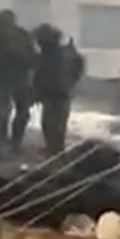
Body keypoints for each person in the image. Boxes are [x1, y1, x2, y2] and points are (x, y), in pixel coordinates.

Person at [0, 9, 35, 150]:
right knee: (8, 111)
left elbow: (33, 58)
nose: (2, 29)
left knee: (17, 111)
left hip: (16, 78)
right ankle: (5, 141)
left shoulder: (22, 36)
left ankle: (12, 141)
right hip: (7, 78)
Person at [31, 23, 85, 156]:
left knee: (56, 125)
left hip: (60, 93)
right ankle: (53, 149)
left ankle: (56, 151)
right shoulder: (51, 54)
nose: (38, 44)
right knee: (49, 124)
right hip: (53, 93)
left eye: (40, 41)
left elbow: (76, 67)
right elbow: (40, 74)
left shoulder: (59, 54)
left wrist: (70, 82)